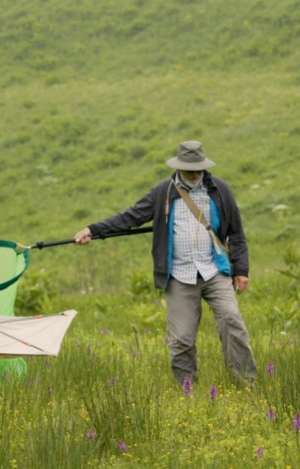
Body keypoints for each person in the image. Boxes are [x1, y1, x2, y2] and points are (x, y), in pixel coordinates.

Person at [74, 140, 257, 387]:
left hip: (215, 271)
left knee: (232, 323)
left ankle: (246, 384)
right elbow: (131, 217)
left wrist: (241, 270)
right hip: (179, 275)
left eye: (197, 169)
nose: (193, 174)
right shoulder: (163, 192)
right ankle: (188, 391)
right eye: (188, 169)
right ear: (178, 167)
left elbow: (236, 232)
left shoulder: (219, 189)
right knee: (181, 339)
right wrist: (93, 230)